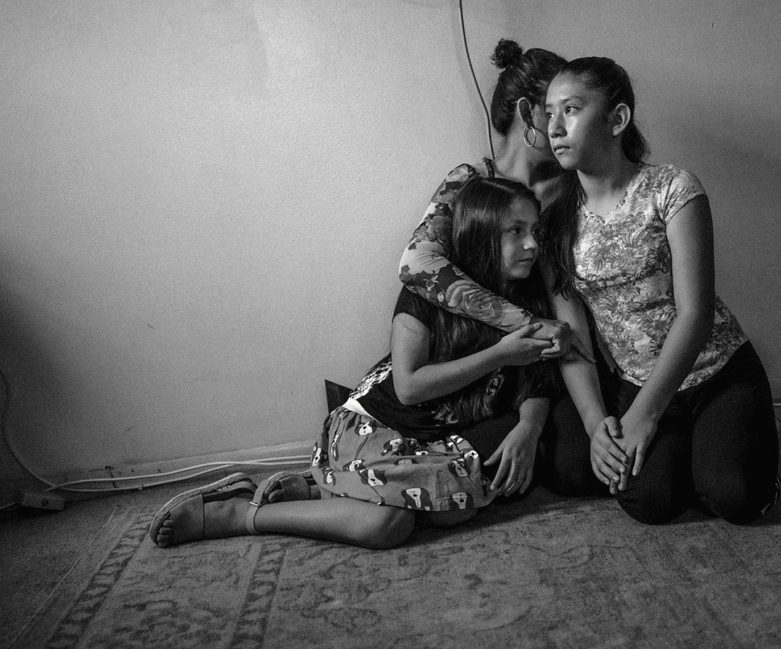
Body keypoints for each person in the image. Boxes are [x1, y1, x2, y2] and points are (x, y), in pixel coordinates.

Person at [150, 178, 561, 549]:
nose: (532, 245)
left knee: (456, 510)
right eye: (515, 231)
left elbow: (537, 376)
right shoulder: (427, 295)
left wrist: (530, 425)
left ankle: (319, 492)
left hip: (433, 435)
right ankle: (242, 513)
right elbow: (409, 387)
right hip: (378, 423)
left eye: (534, 232)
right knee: (388, 525)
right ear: (481, 234)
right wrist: (499, 354)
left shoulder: (525, 298)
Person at [542, 56, 781, 525]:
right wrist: (598, 429)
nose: (553, 126)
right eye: (548, 113)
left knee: (737, 498)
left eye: (569, 109)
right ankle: (696, 457)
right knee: (649, 503)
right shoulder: (553, 221)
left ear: (617, 119)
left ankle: (735, 446)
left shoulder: (672, 188)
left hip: (716, 370)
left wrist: (644, 417)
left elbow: (696, 315)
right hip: (635, 382)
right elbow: (571, 336)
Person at [399, 38, 600, 497]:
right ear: (530, 113)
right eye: (560, 111)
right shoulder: (468, 183)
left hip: (559, 357)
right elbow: (417, 263)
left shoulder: (573, 186)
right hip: (493, 353)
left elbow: (564, 295)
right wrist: (526, 326)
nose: (572, 125)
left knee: (580, 473)